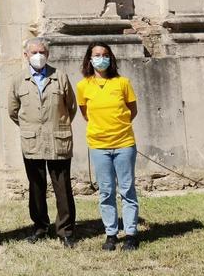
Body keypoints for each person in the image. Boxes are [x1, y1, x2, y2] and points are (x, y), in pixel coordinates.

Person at [7, 38, 78, 248]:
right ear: (26, 55)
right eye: (34, 52)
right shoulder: (18, 79)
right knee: (36, 186)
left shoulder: (60, 76)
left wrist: (58, 124)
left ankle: (65, 230)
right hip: (32, 141)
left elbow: (71, 107)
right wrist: (31, 127)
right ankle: (40, 226)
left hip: (58, 138)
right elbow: (13, 111)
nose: (38, 55)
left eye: (42, 52)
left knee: (62, 186)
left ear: (47, 54)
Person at [76, 41, 140, 251]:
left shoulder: (123, 82)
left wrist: (118, 127)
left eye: (104, 54)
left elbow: (132, 110)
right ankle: (111, 234)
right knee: (106, 191)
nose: (100, 58)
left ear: (110, 58)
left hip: (124, 144)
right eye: (96, 55)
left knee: (127, 189)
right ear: (89, 59)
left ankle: (130, 233)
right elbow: (86, 114)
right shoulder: (83, 86)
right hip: (98, 146)